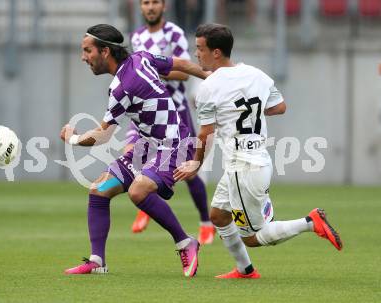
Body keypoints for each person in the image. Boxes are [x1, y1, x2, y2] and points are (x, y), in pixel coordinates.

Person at [174, 23, 343, 279]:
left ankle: (310, 222)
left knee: (253, 237)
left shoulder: (208, 87)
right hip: (249, 162)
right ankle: (245, 270)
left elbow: (205, 133)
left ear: (216, 52)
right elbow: (280, 106)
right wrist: (246, 113)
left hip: (244, 168)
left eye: (200, 48)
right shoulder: (257, 75)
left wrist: (196, 164)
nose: (196, 54)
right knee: (218, 216)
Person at [62, 24, 209, 277]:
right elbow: (183, 65)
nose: (83, 57)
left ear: (105, 51)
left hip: (174, 145)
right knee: (99, 190)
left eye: (87, 51)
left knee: (138, 191)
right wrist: (212, 76)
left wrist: (72, 139)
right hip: (146, 148)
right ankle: (97, 261)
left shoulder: (121, 88)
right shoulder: (142, 58)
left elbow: (102, 135)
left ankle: (186, 242)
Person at [127, 0, 214, 244]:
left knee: (187, 167)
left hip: (175, 109)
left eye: (155, 2)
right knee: (136, 156)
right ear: (141, 7)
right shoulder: (136, 37)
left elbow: (185, 72)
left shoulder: (173, 33)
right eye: (146, 2)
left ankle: (206, 222)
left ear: (164, 6)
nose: (150, 7)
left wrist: (152, 72)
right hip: (148, 110)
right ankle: (144, 206)